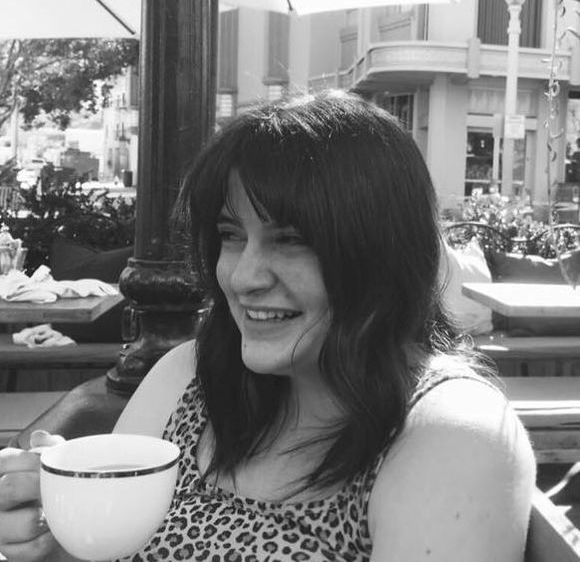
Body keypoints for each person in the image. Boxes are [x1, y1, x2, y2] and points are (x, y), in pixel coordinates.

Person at [0, 91, 535, 562]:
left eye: (292, 239)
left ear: (382, 254)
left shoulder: (452, 434)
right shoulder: (188, 378)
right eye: (231, 235)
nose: (243, 276)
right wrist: (62, 541)